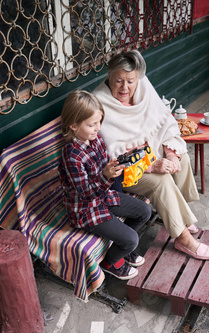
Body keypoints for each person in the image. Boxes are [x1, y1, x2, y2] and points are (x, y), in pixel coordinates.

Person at [93, 50, 209, 260]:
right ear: (109, 76)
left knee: (181, 158)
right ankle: (183, 238)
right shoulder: (100, 102)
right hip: (124, 171)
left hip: (149, 152)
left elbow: (165, 122)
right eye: (119, 81)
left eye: (130, 81)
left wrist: (169, 155)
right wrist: (151, 166)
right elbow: (114, 157)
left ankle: (181, 216)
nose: (125, 87)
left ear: (138, 78)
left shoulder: (143, 85)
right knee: (160, 182)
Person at [58, 90, 152, 280]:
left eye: (99, 122)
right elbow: (86, 194)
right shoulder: (71, 157)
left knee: (144, 211)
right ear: (73, 125)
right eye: (92, 124)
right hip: (84, 211)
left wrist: (116, 166)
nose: (97, 128)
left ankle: (122, 250)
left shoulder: (96, 138)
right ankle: (110, 262)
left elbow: (104, 166)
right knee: (132, 240)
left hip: (103, 197)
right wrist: (106, 176)